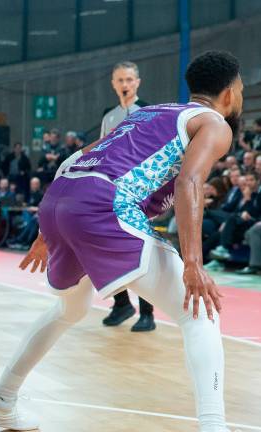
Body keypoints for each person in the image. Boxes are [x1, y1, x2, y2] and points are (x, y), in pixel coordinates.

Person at [0, 51, 244, 432]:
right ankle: (214, 426)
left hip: (61, 200)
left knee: (69, 310)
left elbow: (75, 160)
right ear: (229, 94)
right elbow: (189, 182)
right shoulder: (214, 123)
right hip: (103, 205)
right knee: (199, 313)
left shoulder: (151, 113)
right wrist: (193, 264)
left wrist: (46, 230)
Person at [97, 60, 156, 331]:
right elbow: (101, 154)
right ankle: (121, 303)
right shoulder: (108, 117)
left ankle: (148, 312)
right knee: (107, 247)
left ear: (138, 82)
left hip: (140, 192)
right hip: (111, 191)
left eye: (129, 80)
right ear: (113, 84)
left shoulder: (148, 112)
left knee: (140, 250)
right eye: (120, 80)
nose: (125, 85)